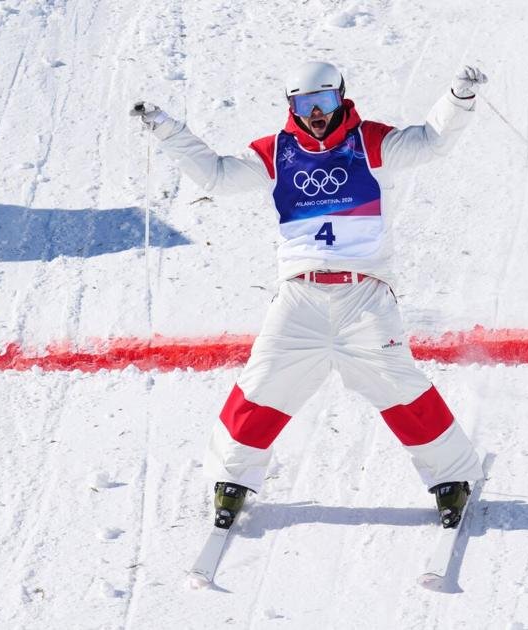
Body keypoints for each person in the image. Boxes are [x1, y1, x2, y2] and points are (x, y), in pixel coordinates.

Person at [131, 61, 488, 530]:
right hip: (300, 296)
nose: (316, 113)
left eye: (324, 101)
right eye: (305, 104)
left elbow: (432, 141)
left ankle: (451, 476)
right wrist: (166, 128)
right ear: (291, 106)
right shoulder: (275, 152)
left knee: (399, 385)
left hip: (364, 295)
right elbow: (217, 176)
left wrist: (458, 99)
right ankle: (232, 479)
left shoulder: (371, 143)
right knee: (263, 384)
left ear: (341, 98)